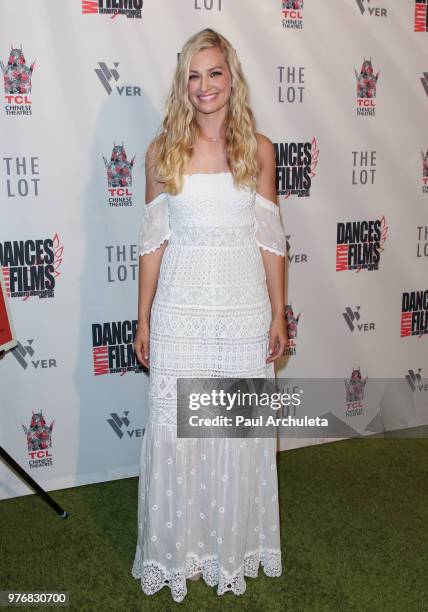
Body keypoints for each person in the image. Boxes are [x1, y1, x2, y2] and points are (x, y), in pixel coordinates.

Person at [131, 27, 288, 603]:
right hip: (180, 311)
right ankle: (178, 551)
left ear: (231, 77)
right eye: (193, 75)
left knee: (240, 435)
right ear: (183, 84)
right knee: (178, 434)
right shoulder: (161, 152)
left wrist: (277, 314)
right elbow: (152, 245)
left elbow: (271, 242)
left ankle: (233, 548)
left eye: (214, 72)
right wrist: (144, 320)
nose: (205, 86)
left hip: (243, 312)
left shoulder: (260, 151)